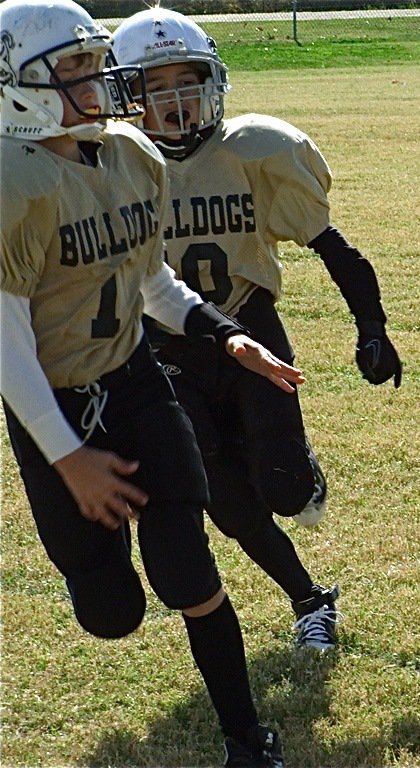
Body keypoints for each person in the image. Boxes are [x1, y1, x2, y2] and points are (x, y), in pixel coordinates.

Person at [0, 0, 294, 764]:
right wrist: (68, 457)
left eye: (94, 62)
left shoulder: (132, 154)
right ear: (14, 85)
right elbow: (7, 350)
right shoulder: (10, 183)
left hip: (135, 382)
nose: (96, 81)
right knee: (112, 613)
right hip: (53, 405)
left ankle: (246, 741)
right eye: (72, 69)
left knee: (185, 567)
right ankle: (98, 576)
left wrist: (229, 338)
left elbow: (152, 280)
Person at [110, 8, 403, 651]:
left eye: (187, 83)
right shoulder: (110, 168)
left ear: (212, 83)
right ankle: (310, 600)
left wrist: (372, 326)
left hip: (249, 324)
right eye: (156, 88)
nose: (176, 103)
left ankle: (295, 469)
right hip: (165, 347)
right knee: (224, 498)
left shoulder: (253, 150)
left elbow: (334, 248)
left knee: (284, 488)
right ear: (127, 96)